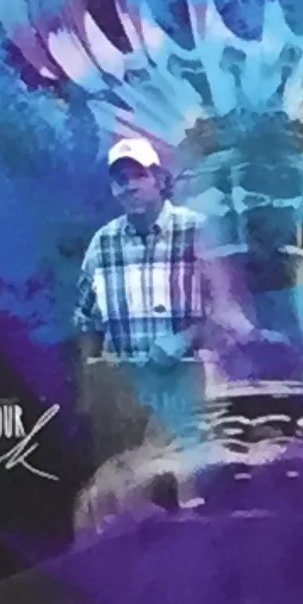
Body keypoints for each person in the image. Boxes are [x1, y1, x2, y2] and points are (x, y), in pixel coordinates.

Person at [72, 135, 208, 457]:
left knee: (192, 487)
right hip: (126, 393)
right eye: (120, 180)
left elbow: (231, 312)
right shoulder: (102, 243)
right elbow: (85, 319)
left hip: (191, 389)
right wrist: (92, 381)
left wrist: (185, 339)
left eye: (140, 175)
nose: (129, 186)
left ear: (160, 180)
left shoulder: (199, 230)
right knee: (130, 491)